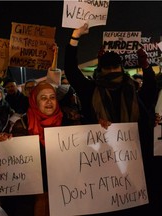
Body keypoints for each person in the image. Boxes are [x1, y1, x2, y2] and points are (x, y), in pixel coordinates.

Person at [64, 23, 157, 215]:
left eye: (114, 67)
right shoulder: (104, 90)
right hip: (105, 163)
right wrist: (74, 37)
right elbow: (71, 71)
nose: (113, 71)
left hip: (130, 162)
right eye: (110, 67)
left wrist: (75, 38)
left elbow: (150, 93)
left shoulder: (125, 89)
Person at [27, 81, 64, 216]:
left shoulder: (69, 121)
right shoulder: (23, 124)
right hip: (37, 190)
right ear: (35, 102)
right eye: (43, 98)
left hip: (65, 187)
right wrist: (5, 138)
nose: (49, 101)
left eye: (52, 97)